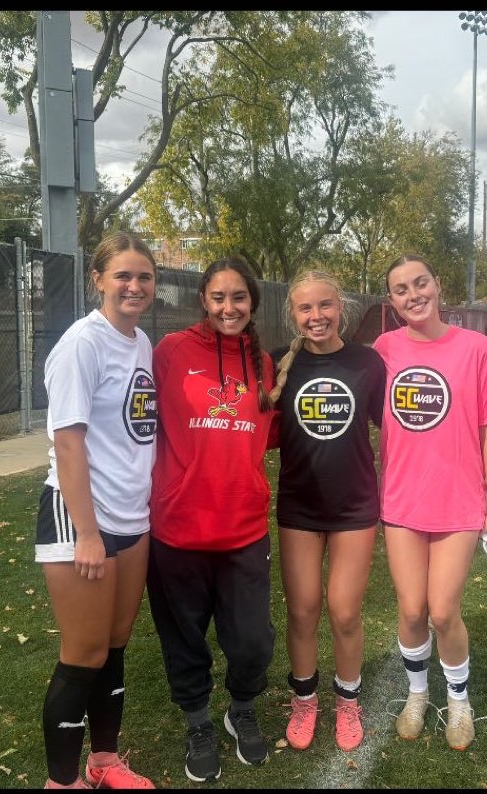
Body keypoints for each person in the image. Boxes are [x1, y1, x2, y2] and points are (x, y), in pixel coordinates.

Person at [372, 253, 487, 751]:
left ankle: (458, 700)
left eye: (420, 283)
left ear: (437, 285)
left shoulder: (476, 348)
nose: (414, 295)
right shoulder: (383, 350)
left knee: (443, 611)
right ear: (391, 302)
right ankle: (417, 694)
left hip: (458, 502)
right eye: (401, 289)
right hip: (401, 502)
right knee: (412, 610)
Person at [146, 257, 279, 783]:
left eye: (239, 297)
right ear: (203, 299)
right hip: (179, 526)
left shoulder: (263, 363)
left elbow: (266, 433)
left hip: (243, 526)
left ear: (252, 302)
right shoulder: (170, 352)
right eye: (219, 297)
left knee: (252, 640)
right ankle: (199, 722)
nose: (229, 307)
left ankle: (240, 709)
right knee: (184, 638)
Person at [33, 232, 158, 789]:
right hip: (83, 518)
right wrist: (87, 532)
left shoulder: (141, 341)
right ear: (98, 279)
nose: (134, 286)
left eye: (144, 277)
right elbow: (67, 443)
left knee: (114, 645)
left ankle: (104, 762)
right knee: (82, 653)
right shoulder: (82, 343)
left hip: (132, 517)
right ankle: (61, 783)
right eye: (123, 275)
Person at [268, 270, 386, 753]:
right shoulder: (279, 363)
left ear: (341, 308)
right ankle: (304, 701)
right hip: (299, 505)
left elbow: (396, 426)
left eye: (325, 305)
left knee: (344, 610)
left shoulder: (367, 362)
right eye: (305, 308)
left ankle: (347, 701)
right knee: (302, 610)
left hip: (355, 505)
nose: (316, 316)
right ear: (293, 315)